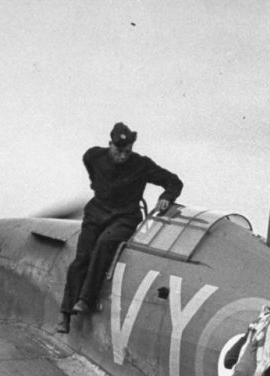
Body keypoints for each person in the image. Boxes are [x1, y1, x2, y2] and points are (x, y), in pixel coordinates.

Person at [57, 122, 183, 333]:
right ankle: (65, 313)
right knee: (81, 258)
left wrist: (166, 197)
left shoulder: (141, 164)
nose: (123, 156)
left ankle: (85, 300)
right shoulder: (94, 156)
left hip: (125, 217)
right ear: (110, 145)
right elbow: (90, 167)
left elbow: (174, 182)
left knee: (104, 245)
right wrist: (96, 185)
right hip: (97, 213)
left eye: (127, 152)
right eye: (118, 151)